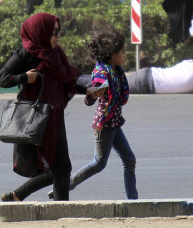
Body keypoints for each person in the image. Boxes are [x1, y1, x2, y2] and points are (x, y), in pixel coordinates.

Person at [0, 13, 97, 201]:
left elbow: (66, 81)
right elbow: (1, 79)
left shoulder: (56, 54)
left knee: (61, 168)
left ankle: (22, 196)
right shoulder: (25, 55)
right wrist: (24, 77)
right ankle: (53, 207)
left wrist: (87, 90)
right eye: (54, 32)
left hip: (54, 117)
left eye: (58, 31)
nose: (57, 36)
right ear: (40, 32)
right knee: (60, 168)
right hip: (34, 119)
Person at [57, 30, 138, 200]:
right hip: (105, 126)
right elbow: (91, 95)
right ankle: (67, 185)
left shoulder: (116, 69)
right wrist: (92, 94)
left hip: (115, 123)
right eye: (123, 52)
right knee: (99, 164)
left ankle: (133, 200)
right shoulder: (102, 72)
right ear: (112, 55)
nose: (125, 55)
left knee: (129, 160)